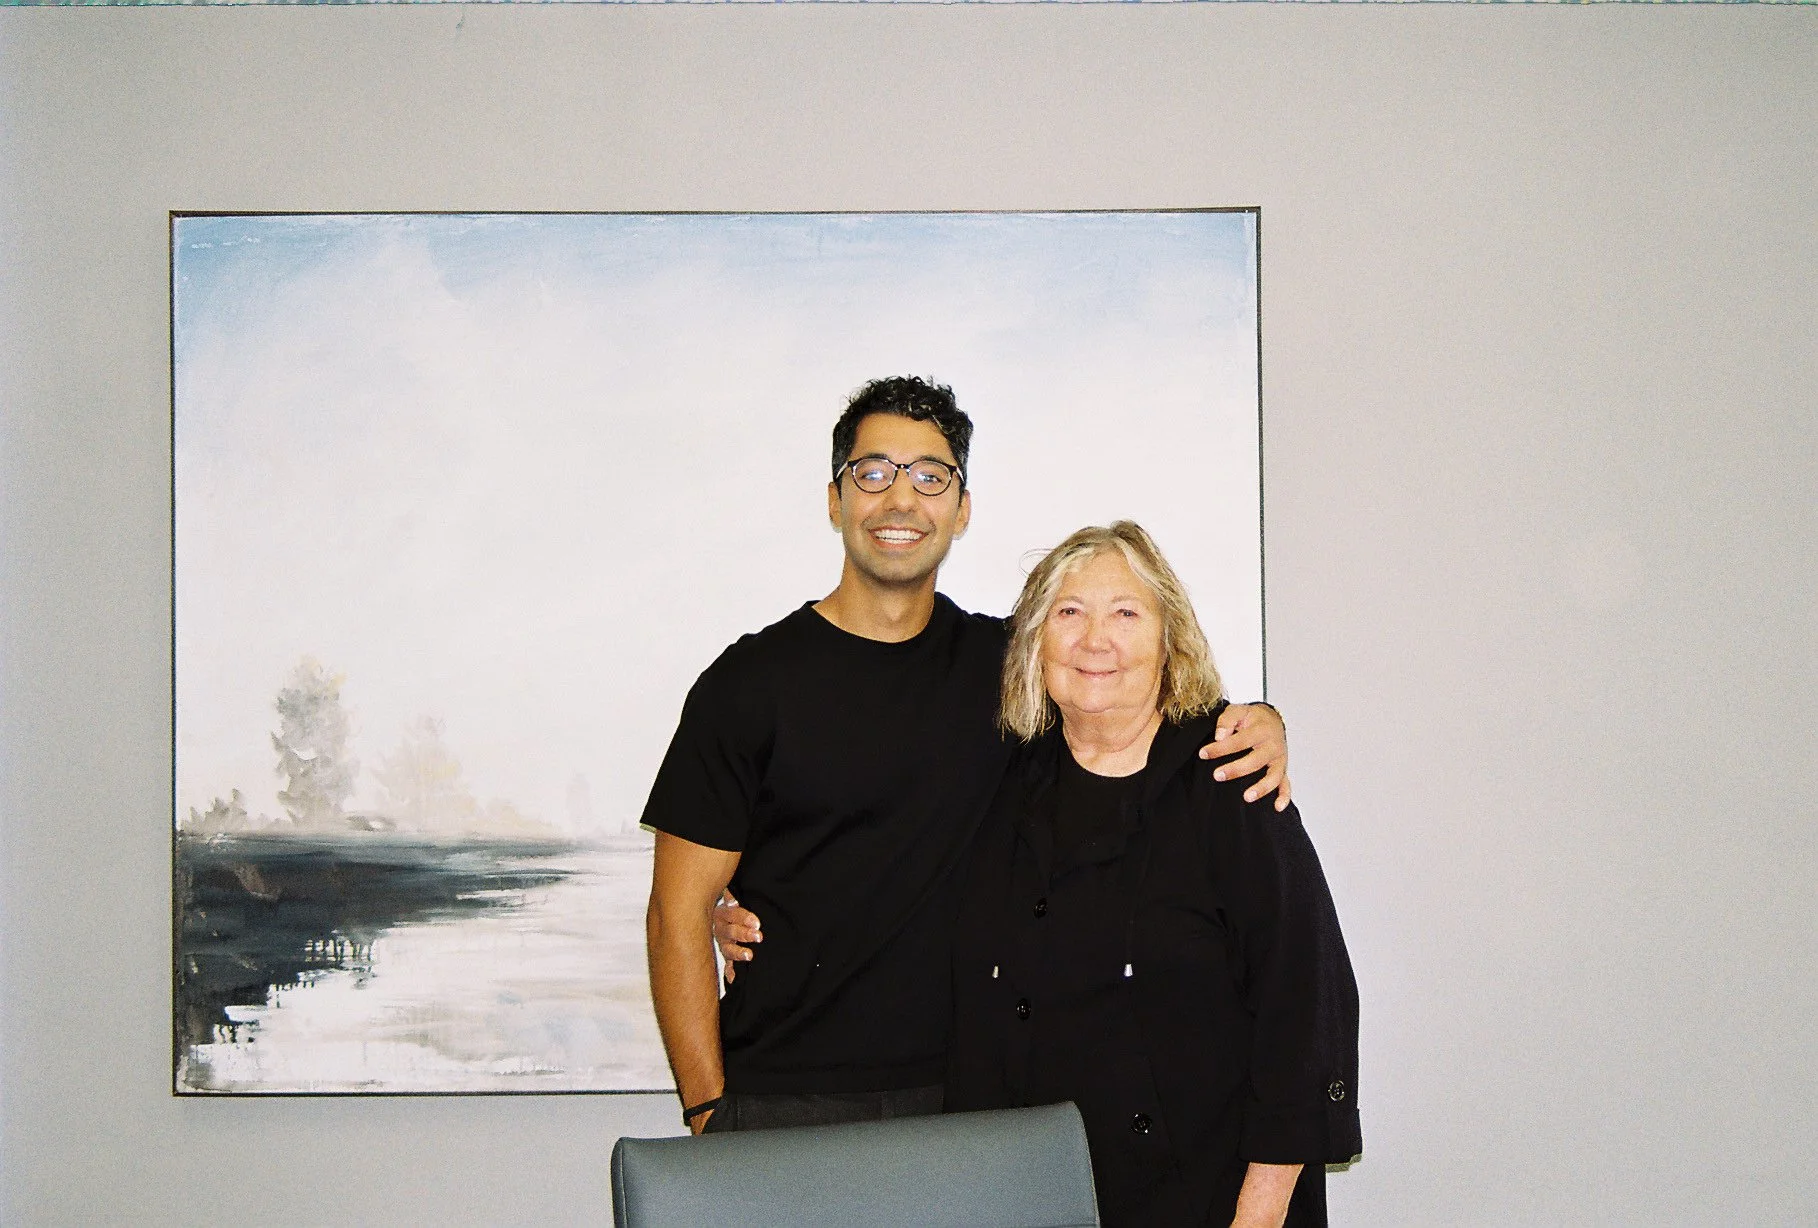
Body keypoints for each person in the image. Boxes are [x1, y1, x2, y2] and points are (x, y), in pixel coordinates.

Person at [642, 377, 1290, 1136]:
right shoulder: (748, 685)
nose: (900, 499)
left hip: (971, 1099)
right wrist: (708, 1109)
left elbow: (1129, 693)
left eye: (930, 476)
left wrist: (1258, 721)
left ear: (962, 508)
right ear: (835, 500)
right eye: (873, 472)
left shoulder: (1008, 667)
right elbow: (676, 914)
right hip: (784, 1096)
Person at [944, 521, 1359, 1227]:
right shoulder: (1009, 783)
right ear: (1036, 643)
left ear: (1171, 640)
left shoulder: (1229, 779)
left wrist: (1258, 1216)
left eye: (1125, 613)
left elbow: (1306, 1004)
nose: (1094, 640)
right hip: (1041, 1194)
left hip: (1212, 1199)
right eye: (1069, 612)